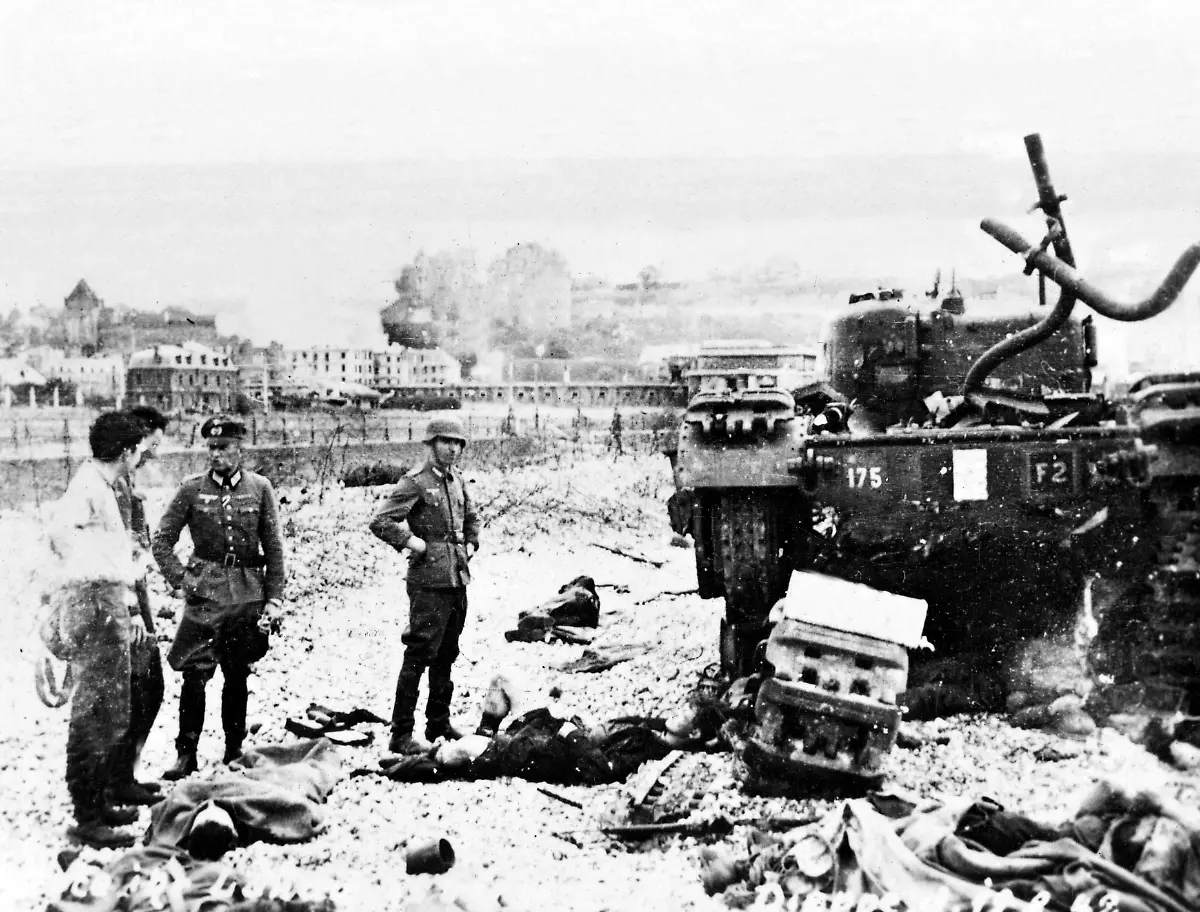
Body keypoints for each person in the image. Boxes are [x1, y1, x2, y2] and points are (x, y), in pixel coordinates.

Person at [152, 416, 286, 780]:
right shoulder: (191, 489)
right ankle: (186, 753)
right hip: (205, 593)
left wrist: (274, 599)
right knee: (195, 675)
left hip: (247, 592)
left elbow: (273, 548)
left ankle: (234, 747)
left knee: (238, 672)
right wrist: (182, 578)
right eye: (211, 447)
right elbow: (161, 540)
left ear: (240, 449)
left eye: (224, 447)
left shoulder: (260, 488)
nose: (216, 454)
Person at [50, 411, 148, 848]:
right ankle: (87, 816)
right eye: (138, 448)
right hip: (93, 604)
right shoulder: (89, 487)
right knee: (93, 710)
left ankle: (101, 799)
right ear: (125, 451)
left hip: (105, 601)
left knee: (110, 707)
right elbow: (60, 535)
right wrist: (93, 573)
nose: (141, 455)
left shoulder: (103, 486)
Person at [369, 416, 480, 754]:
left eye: (458, 442)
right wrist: (411, 543)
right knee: (419, 654)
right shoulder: (415, 483)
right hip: (428, 582)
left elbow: (472, 518)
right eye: (446, 441)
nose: (453, 448)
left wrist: (472, 544)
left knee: (447, 653)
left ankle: (438, 723)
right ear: (431, 445)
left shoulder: (457, 480)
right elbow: (381, 520)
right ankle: (401, 734)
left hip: (457, 579)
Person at [108, 406, 169, 806]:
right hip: (121, 597)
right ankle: (116, 779)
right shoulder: (115, 487)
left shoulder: (125, 481)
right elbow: (117, 551)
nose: (153, 454)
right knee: (141, 687)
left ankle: (123, 774)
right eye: (151, 444)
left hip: (135, 593)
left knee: (144, 687)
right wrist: (131, 609)